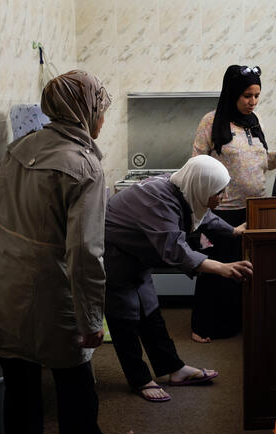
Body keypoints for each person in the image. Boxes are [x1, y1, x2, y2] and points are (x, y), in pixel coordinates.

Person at [0, 70, 135, 434]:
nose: (103, 119)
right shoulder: (85, 167)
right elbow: (85, 251)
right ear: (84, 111)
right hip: (47, 286)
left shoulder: (22, 146)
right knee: (74, 374)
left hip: (0, 279)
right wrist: (92, 317)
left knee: (18, 376)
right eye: (100, 110)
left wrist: (5, 251)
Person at [104, 155, 253, 402]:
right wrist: (223, 268)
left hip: (136, 255)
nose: (223, 197)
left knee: (150, 311)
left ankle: (174, 369)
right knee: (125, 318)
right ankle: (139, 379)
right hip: (114, 254)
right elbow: (177, 250)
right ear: (202, 186)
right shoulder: (159, 201)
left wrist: (234, 231)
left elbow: (204, 215)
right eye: (219, 192)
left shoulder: (183, 189)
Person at [190, 64, 276, 343]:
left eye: (256, 95)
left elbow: (256, 159)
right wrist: (202, 201)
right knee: (216, 268)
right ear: (232, 94)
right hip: (222, 210)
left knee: (243, 268)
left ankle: (234, 323)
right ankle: (202, 326)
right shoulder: (211, 122)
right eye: (246, 96)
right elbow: (196, 164)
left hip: (254, 207)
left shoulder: (255, 121)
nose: (252, 101)